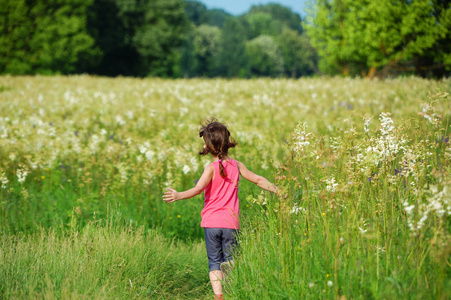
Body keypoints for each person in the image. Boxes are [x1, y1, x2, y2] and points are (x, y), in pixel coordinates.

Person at [163, 119, 277, 300]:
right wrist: (277, 190)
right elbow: (258, 179)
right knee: (231, 257)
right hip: (230, 222)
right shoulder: (237, 165)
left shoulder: (210, 168)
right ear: (227, 143)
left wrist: (178, 195)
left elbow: (197, 189)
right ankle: (232, 283)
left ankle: (219, 296)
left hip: (211, 223)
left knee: (214, 261)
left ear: (207, 146)